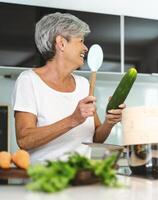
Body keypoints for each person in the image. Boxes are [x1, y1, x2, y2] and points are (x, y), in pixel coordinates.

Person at [12, 12, 125, 163]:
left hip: (81, 177)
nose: (85, 48)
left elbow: (96, 138)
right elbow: (24, 140)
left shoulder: (84, 84)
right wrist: (72, 120)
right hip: (45, 181)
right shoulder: (29, 81)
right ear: (61, 43)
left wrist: (110, 122)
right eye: (81, 41)